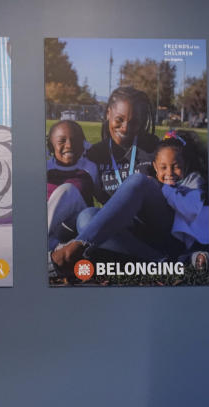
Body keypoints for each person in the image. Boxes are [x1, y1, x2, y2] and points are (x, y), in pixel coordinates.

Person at [50, 87, 185, 274]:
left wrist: (159, 184)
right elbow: (65, 166)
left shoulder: (155, 147)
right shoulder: (95, 154)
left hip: (158, 223)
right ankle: (160, 261)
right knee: (86, 217)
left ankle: (76, 247)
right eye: (119, 120)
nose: (125, 128)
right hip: (123, 232)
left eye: (134, 122)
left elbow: (182, 175)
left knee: (138, 181)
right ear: (108, 114)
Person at [152, 131, 209, 263]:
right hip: (170, 235)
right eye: (163, 167)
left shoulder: (194, 181)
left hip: (194, 237)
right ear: (155, 167)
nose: (169, 173)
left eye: (176, 167)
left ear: (186, 163)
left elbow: (190, 209)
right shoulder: (156, 184)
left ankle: (196, 256)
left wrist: (166, 190)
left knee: (194, 251)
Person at [45, 119, 98, 252]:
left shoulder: (89, 167)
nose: (69, 145)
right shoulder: (45, 168)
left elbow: (99, 195)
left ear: (83, 144)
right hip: (54, 228)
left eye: (75, 140)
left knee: (68, 190)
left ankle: (36, 239)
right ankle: (56, 249)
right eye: (61, 141)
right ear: (51, 146)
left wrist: (88, 147)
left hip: (77, 223)